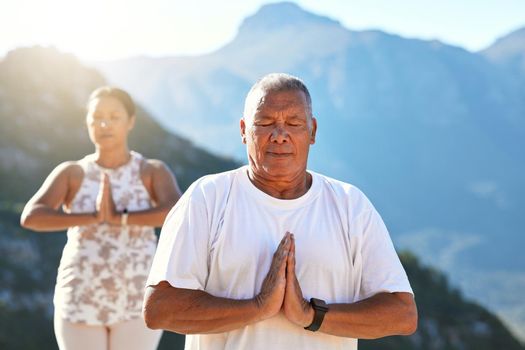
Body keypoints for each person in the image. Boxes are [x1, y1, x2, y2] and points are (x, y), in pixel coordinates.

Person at [143, 73, 417, 350]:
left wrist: (310, 315)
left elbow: (402, 314)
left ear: (312, 131)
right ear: (243, 130)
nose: (280, 135)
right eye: (265, 123)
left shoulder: (350, 204)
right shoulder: (206, 197)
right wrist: (258, 307)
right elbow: (159, 309)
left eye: (294, 123)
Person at [20, 86, 182, 350]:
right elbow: (31, 216)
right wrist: (92, 216)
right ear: (87, 122)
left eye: (114, 116)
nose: (104, 124)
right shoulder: (72, 173)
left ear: (130, 121)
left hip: (136, 298)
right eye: (96, 117)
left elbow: (176, 213)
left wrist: (121, 218)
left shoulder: (151, 171)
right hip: (81, 296)